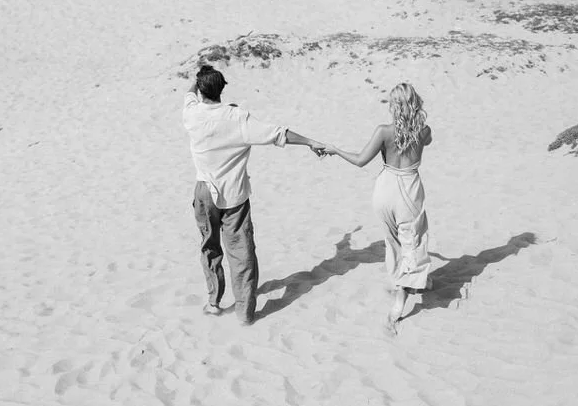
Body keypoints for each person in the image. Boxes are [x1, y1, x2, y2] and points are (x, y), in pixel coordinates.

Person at [183, 64, 324, 326]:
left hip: (204, 193)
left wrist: (197, 77)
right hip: (234, 196)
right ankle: (245, 314)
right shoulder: (238, 118)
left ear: (201, 91)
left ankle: (214, 302)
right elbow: (278, 134)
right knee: (242, 253)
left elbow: (189, 95)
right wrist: (310, 142)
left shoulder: (191, 114)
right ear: (222, 89)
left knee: (209, 247)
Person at [320, 83, 433, 334]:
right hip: (409, 190)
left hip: (384, 190)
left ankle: (406, 281)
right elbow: (428, 139)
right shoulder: (424, 131)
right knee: (411, 242)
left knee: (393, 241)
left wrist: (336, 150)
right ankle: (400, 301)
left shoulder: (384, 132)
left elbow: (361, 160)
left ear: (394, 106)